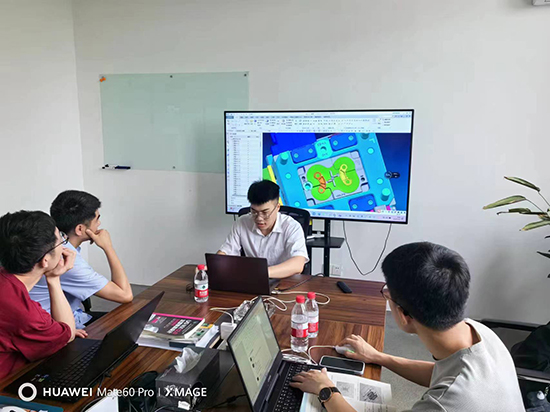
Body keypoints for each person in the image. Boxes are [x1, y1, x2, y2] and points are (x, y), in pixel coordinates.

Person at [291, 242, 525, 411]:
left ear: (404, 315)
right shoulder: (481, 333)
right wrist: (378, 357)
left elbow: (449, 389)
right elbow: (440, 373)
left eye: (387, 294)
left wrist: (326, 390)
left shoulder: (443, 404)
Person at [30, 190, 133, 329]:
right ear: (80, 229)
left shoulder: (55, 244)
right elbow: (125, 295)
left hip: (72, 316)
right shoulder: (65, 259)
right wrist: (108, 247)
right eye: (97, 219)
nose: (99, 224)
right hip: (56, 327)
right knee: (130, 324)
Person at [0, 211, 77, 379]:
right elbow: (69, 334)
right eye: (61, 240)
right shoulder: (25, 313)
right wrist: (54, 279)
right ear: (45, 260)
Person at [218, 180, 309, 278]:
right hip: (252, 279)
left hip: (284, 280)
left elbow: (298, 264)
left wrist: (262, 272)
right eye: (254, 212)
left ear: (277, 207)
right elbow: (227, 251)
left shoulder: (291, 226)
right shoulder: (242, 223)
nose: (259, 218)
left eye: (265, 212)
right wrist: (214, 264)